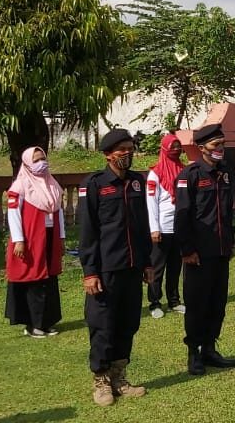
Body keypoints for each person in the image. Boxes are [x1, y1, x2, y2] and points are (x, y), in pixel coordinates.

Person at [78, 128, 155, 407]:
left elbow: (142, 225)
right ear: (108, 154)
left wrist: (148, 262)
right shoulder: (95, 185)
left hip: (133, 267)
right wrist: (90, 271)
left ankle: (119, 377)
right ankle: (101, 380)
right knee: (103, 325)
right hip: (106, 268)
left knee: (128, 322)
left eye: (130, 148)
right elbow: (88, 232)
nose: (127, 153)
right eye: (121, 150)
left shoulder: (137, 182)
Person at [174, 123, 235, 376]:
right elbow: (182, 216)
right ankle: (194, 352)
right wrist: (187, 250)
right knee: (197, 303)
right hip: (198, 253)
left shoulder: (225, 173)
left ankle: (210, 348)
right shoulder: (189, 175)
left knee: (217, 303)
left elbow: (228, 213)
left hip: (220, 250)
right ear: (202, 148)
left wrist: (230, 243)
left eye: (222, 144)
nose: (220, 148)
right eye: (215, 145)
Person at [4, 146, 64, 338]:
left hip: (49, 235)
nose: (41, 163)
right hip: (30, 238)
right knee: (34, 279)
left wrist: (61, 237)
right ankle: (33, 324)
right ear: (28, 163)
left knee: (49, 278)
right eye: (36, 160)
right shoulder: (20, 186)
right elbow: (13, 214)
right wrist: (19, 240)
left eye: (43, 159)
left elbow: (59, 213)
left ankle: (46, 321)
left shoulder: (52, 184)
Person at [146, 133, 186, 320]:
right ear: (164, 149)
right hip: (162, 228)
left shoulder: (183, 170)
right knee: (157, 268)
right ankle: (154, 302)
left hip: (178, 228)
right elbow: (151, 203)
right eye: (173, 146)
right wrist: (154, 228)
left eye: (179, 146)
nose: (176, 150)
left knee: (175, 267)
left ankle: (174, 301)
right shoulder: (155, 174)